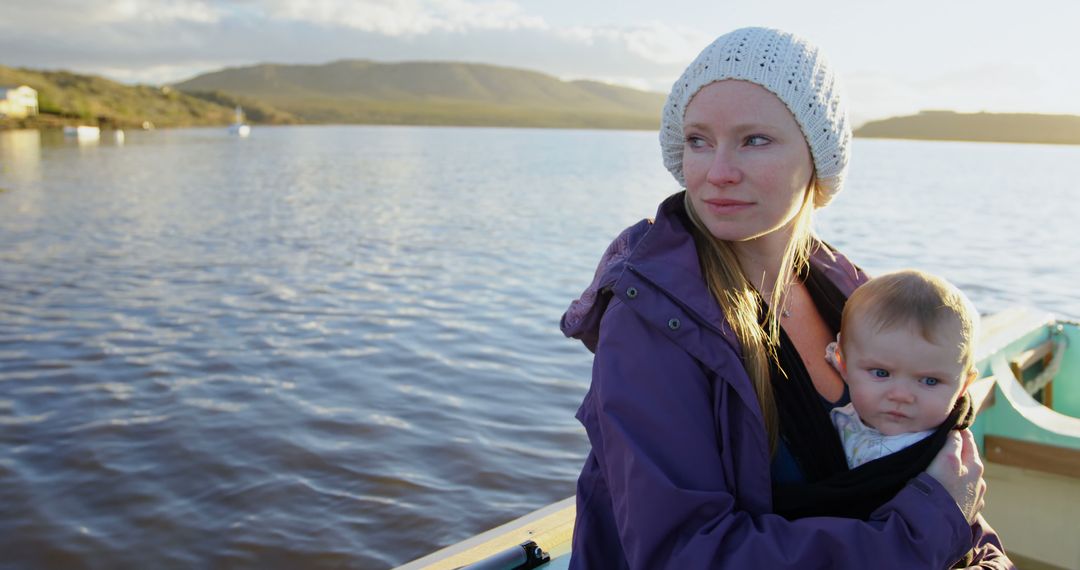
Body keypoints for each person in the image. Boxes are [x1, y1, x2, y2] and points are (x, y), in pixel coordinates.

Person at [560, 27, 1013, 568]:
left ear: (818, 155)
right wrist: (925, 533)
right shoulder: (654, 322)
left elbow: (935, 480)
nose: (717, 173)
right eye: (699, 140)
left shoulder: (846, 291)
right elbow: (684, 554)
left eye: (754, 140)